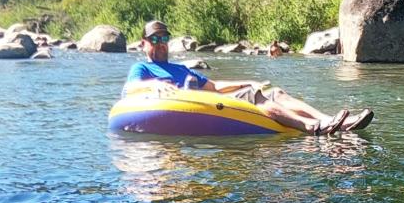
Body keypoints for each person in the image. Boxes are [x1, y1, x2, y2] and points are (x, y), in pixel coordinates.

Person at [128, 20, 372, 134]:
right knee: (253, 96)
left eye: (163, 39)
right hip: (188, 107)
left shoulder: (182, 69)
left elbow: (214, 86)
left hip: (208, 102)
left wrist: (247, 82)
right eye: (155, 40)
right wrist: (154, 86)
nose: (161, 44)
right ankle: (311, 127)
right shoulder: (143, 69)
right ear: (144, 44)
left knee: (274, 92)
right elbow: (130, 91)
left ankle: (333, 121)